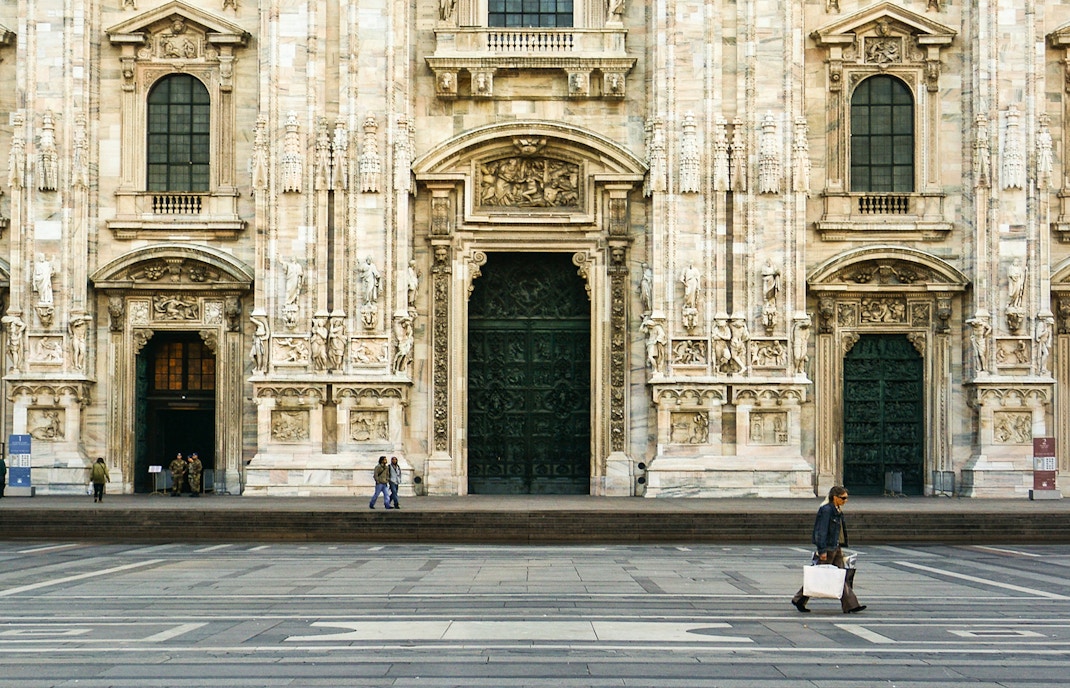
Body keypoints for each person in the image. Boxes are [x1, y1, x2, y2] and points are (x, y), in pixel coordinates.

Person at [792, 485, 866, 614]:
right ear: (834, 497)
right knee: (818, 575)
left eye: (846, 498)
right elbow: (821, 531)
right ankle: (799, 599)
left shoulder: (837, 510)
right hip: (828, 548)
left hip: (835, 547)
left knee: (841, 575)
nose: (845, 501)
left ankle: (851, 605)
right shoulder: (826, 510)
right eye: (843, 498)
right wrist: (822, 551)